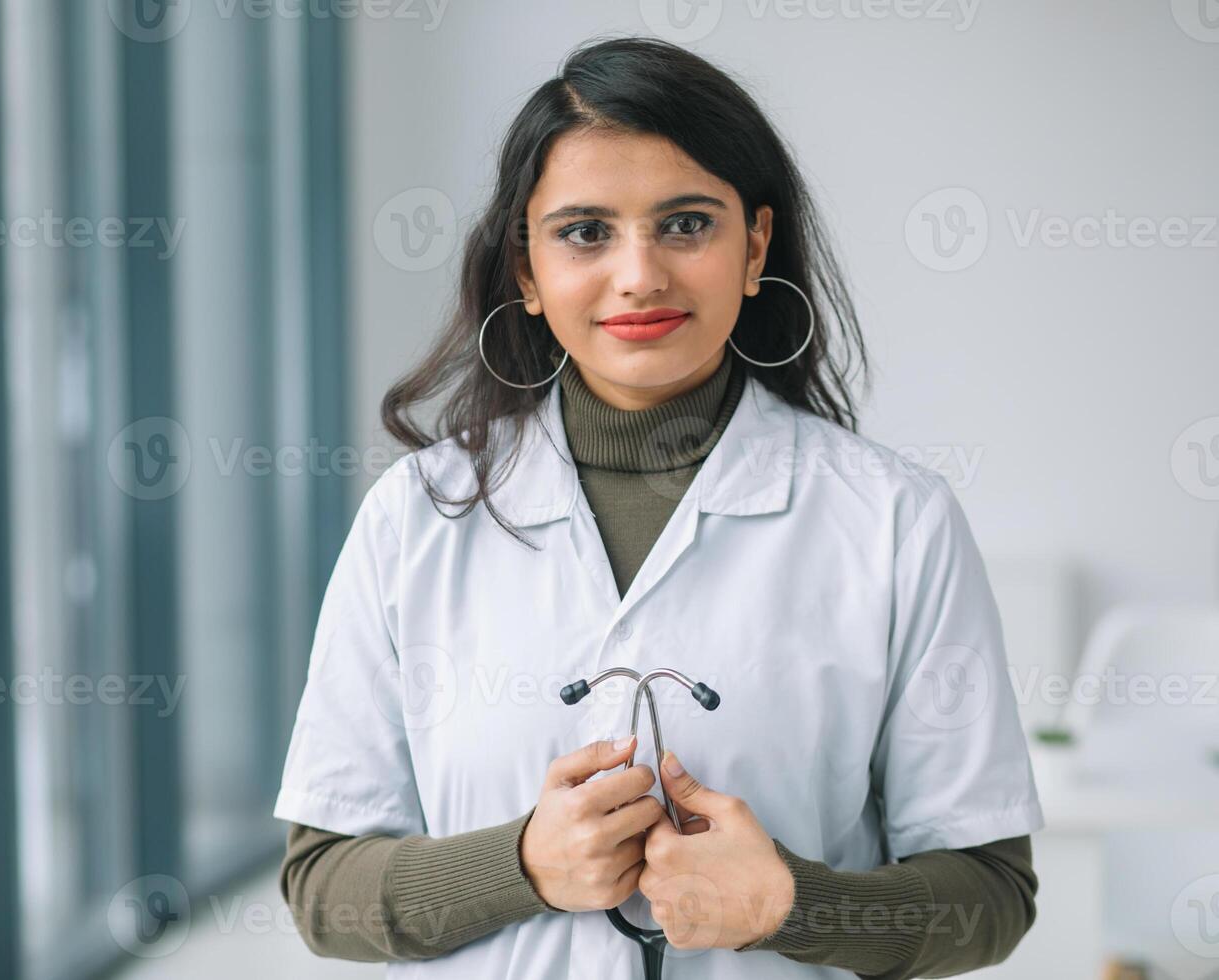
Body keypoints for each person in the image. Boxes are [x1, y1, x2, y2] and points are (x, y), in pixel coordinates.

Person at [273, 34, 1042, 980]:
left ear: (755, 245)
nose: (639, 275)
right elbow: (322, 888)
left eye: (685, 225)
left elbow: (992, 895)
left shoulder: (894, 522)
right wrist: (519, 866)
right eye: (585, 232)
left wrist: (792, 904)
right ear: (526, 270)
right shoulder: (414, 518)